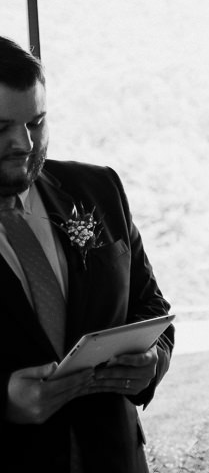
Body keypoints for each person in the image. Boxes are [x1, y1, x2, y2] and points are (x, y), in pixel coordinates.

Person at [0, 36, 173, 472]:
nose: (23, 143)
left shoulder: (97, 189)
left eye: (36, 123)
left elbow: (150, 306)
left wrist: (152, 364)